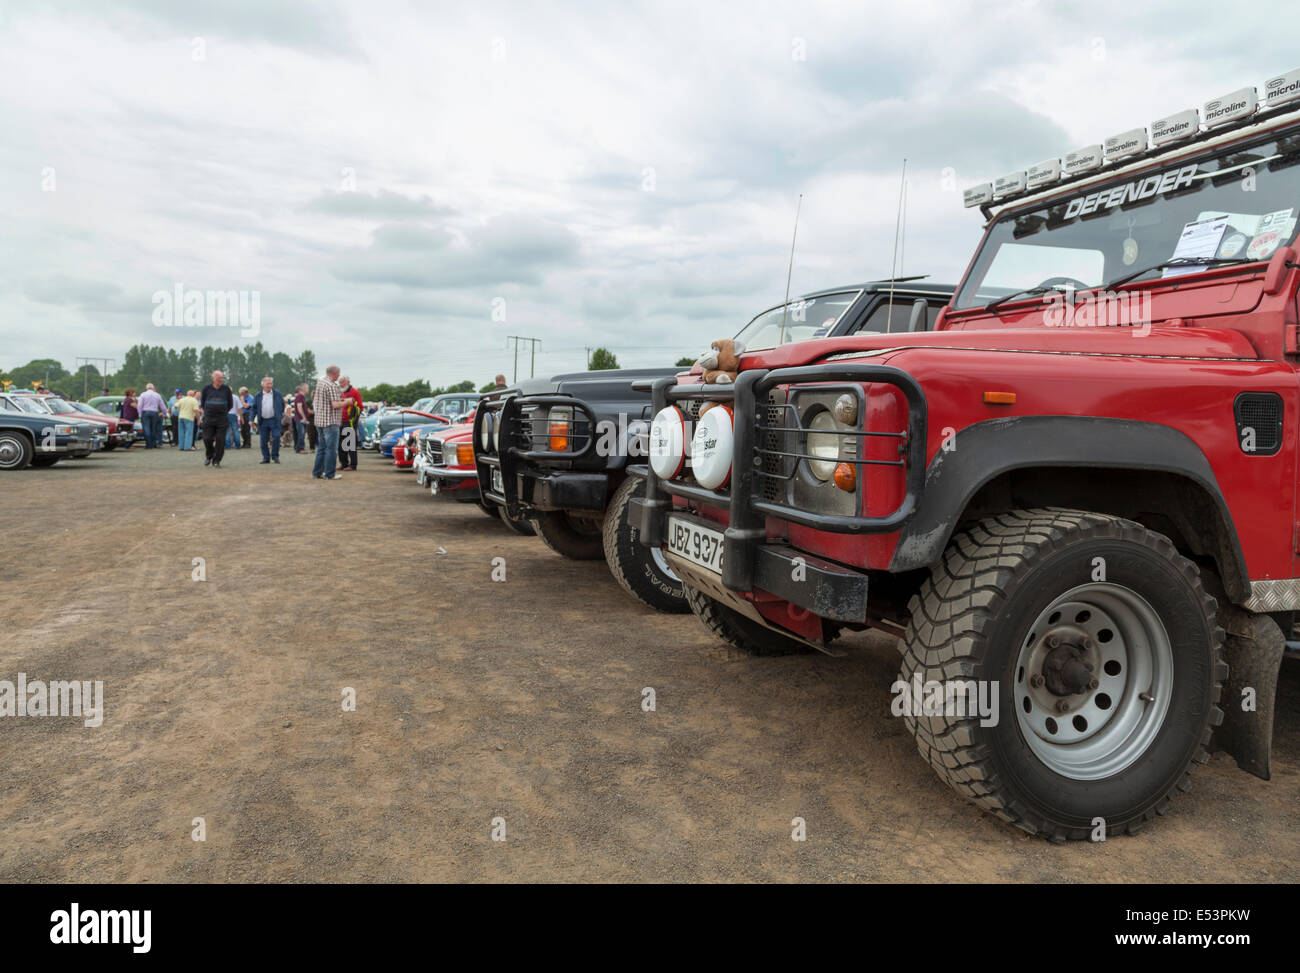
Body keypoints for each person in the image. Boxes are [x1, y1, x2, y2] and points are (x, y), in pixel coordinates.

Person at [311, 365, 343, 480]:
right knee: (331, 449)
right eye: (338, 374)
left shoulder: (320, 382)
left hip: (320, 421)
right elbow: (335, 404)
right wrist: (347, 402)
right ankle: (329, 474)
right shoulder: (331, 385)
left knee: (321, 448)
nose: (339, 376)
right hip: (330, 421)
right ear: (334, 374)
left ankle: (317, 473)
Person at [199, 371, 234, 467]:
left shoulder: (226, 389)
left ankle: (216, 460)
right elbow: (203, 403)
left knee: (220, 440)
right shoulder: (206, 389)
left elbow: (230, 404)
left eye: (222, 378)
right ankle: (209, 455)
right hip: (209, 418)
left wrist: (222, 411)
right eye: (219, 378)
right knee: (207, 438)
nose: (221, 380)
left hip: (222, 419)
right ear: (213, 378)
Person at [251, 376, 285, 464]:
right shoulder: (258, 395)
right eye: (267, 384)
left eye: (271, 383)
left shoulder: (277, 394)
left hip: (274, 420)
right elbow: (254, 408)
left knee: (277, 437)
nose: (269, 385)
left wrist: (280, 415)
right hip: (263, 421)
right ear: (262, 384)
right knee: (263, 440)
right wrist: (251, 419)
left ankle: (275, 456)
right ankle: (266, 457)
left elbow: (282, 404)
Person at [337, 375, 363, 472]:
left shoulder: (355, 392)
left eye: (342, 382)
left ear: (348, 382)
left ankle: (353, 465)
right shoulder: (340, 392)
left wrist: (354, 418)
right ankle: (343, 463)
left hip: (350, 421)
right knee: (340, 444)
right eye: (340, 382)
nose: (340, 384)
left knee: (350, 443)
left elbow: (360, 407)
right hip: (340, 420)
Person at [138, 383, 166, 448]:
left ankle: (148, 444)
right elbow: (162, 406)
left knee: (146, 428)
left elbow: (140, 405)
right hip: (154, 412)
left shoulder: (143, 394)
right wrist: (164, 413)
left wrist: (140, 414)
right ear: (153, 388)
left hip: (145, 412)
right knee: (153, 428)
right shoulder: (157, 395)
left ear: (146, 388)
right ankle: (153, 443)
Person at [292, 383, 310, 454]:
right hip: (300, 418)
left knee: (301, 433)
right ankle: (300, 448)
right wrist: (304, 417)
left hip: (300, 418)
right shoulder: (300, 396)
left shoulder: (301, 396)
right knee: (301, 433)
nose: (308, 389)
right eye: (307, 388)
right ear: (303, 389)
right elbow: (299, 407)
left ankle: (298, 448)